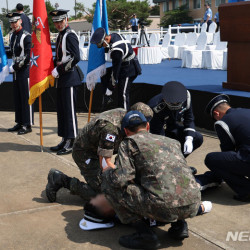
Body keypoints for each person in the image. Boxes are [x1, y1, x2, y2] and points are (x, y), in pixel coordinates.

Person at [85, 110, 202, 249]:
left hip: (164, 208)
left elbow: (121, 178)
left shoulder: (129, 143)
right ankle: (180, 226)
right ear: (147, 126)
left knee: (110, 183)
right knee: (171, 181)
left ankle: (145, 235)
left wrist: (108, 172)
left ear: (126, 131)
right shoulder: (171, 142)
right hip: (193, 203)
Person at [45, 103, 153, 204]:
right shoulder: (110, 129)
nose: (145, 129)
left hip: (104, 148)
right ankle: (61, 180)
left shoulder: (128, 121)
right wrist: (119, 180)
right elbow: (105, 164)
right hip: (86, 154)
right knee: (107, 195)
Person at [196, 94, 250, 202]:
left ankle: (246, 190)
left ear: (216, 113)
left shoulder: (222, 122)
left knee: (211, 159)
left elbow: (228, 151)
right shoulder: (247, 111)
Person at [49, 9, 82, 155]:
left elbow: (76, 57)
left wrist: (60, 69)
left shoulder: (70, 35)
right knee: (62, 111)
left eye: (60, 21)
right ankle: (64, 138)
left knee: (69, 111)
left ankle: (72, 140)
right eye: (55, 22)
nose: (58, 24)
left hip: (69, 77)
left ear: (66, 19)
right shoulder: (61, 35)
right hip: (62, 78)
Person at [89, 27, 141, 110]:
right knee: (104, 74)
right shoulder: (113, 35)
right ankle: (107, 98)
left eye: (102, 44)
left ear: (106, 38)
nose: (102, 47)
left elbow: (115, 71)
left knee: (123, 93)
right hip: (123, 64)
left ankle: (125, 115)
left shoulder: (116, 50)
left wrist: (110, 87)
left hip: (129, 68)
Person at [148, 81, 203, 158]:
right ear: (164, 99)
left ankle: (179, 161)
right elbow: (158, 134)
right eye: (172, 103)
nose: (176, 105)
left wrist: (189, 139)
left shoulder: (185, 97)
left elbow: (189, 119)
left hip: (172, 128)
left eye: (178, 103)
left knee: (197, 138)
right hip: (158, 133)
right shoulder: (155, 107)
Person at [6, 12, 34, 135]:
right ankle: (20, 122)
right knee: (18, 98)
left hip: (24, 71)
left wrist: (16, 67)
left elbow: (28, 56)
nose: (13, 24)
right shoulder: (12, 35)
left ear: (20, 21)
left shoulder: (26, 36)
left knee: (26, 98)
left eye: (15, 21)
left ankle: (27, 124)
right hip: (16, 72)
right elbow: (12, 52)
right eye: (11, 22)